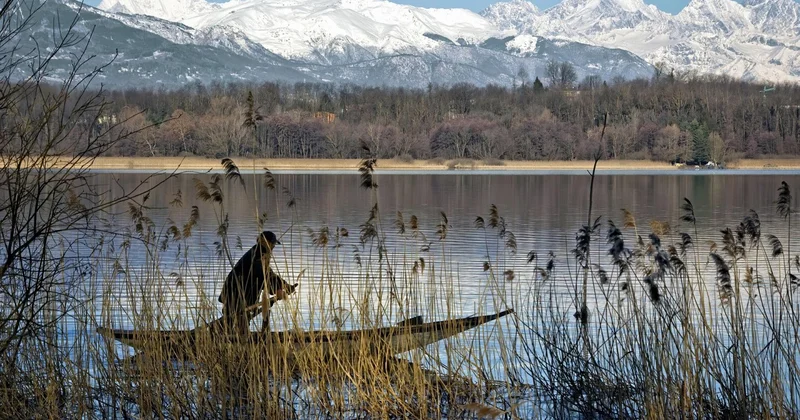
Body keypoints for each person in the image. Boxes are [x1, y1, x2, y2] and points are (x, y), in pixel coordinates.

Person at [219, 231, 296, 335]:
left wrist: (285, 285)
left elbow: (268, 273)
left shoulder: (258, 253)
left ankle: (229, 339)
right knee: (237, 324)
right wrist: (278, 289)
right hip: (237, 296)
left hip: (238, 296)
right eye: (272, 244)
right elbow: (263, 275)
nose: (273, 247)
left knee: (235, 324)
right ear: (267, 242)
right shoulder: (257, 255)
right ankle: (233, 343)